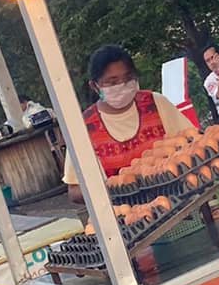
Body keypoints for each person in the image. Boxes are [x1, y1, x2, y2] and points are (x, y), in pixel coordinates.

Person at [65, 45, 195, 199]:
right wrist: (118, 188)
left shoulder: (156, 104)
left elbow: (193, 142)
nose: (122, 85)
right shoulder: (84, 128)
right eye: (112, 82)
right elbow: (74, 191)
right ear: (95, 86)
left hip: (179, 201)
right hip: (128, 217)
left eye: (127, 78)